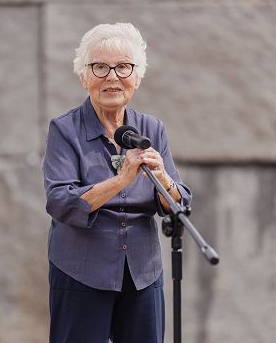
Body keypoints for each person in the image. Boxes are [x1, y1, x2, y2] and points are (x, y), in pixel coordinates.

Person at [42, 22, 192, 343]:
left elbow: (177, 205)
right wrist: (121, 179)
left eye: (123, 67)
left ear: (136, 77)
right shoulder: (65, 130)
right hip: (80, 272)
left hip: (143, 274)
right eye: (99, 67)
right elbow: (61, 202)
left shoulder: (152, 128)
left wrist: (163, 176)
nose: (112, 76)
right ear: (84, 77)